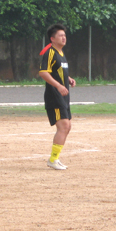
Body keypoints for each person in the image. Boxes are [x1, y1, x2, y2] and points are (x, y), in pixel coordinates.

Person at [39, 24, 76, 170]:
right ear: (52, 39)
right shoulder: (50, 52)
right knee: (64, 126)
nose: (64, 37)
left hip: (63, 96)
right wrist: (59, 86)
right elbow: (43, 72)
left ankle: (55, 158)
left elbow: (57, 71)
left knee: (67, 127)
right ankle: (53, 160)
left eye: (64, 35)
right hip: (54, 95)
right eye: (60, 35)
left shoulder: (60, 53)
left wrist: (68, 79)